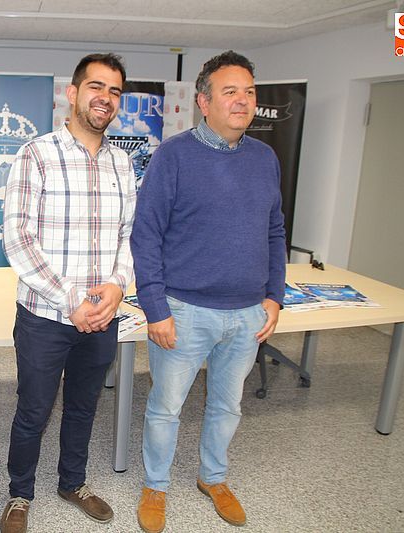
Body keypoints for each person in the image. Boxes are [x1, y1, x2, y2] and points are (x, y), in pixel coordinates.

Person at [131, 50, 286, 532]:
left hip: (246, 316)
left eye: (249, 92)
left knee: (228, 405)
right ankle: (156, 486)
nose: (243, 101)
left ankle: (212, 477)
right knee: (166, 407)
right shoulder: (173, 156)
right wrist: (155, 308)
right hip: (184, 310)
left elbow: (274, 230)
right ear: (204, 101)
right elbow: (146, 234)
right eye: (230, 92)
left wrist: (274, 296)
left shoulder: (265, 158)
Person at [0, 53, 137, 533]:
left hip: (103, 318)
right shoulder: (36, 154)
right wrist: (70, 301)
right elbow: (18, 238)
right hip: (44, 315)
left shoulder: (122, 162)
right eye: (96, 86)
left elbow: (127, 235)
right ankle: (19, 494)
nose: (106, 98)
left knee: (84, 405)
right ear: (72, 93)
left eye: (115, 91)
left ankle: (72, 482)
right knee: (33, 410)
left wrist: (118, 287)